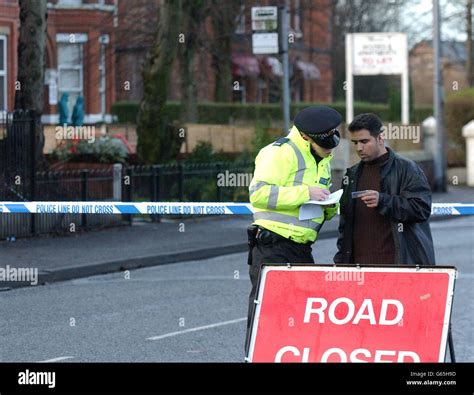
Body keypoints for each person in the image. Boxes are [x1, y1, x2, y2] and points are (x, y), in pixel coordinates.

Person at [245, 105, 342, 353]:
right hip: (273, 247)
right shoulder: (278, 153)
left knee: (299, 318)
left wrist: (330, 206)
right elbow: (259, 194)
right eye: (325, 144)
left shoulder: (322, 159)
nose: (330, 149)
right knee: (267, 317)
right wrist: (305, 193)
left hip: (300, 248)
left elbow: (315, 203)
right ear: (306, 137)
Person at [334, 113, 435, 266]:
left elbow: (421, 209)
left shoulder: (407, 169)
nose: (359, 148)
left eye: (364, 141)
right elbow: (345, 226)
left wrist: (383, 201)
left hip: (396, 266)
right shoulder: (352, 174)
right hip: (358, 269)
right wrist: (341, 263)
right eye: (355, 143)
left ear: (380, 138)